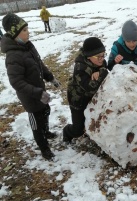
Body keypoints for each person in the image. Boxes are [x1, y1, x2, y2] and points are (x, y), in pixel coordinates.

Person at [1, 13, 60, 160]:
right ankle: (44, 147)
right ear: (15, 34)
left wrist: (50, 77)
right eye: (25, 30)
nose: (28, 32)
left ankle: (46, 132)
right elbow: (16, 82)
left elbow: (39, 64)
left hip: (40, 92)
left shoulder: (28, 46)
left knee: (46, 111)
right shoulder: (13, 56)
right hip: (31, 98)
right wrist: (37, 92)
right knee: (36, 123)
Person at [63, 37, 108, 144]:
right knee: (78, 129)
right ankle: (67, 132)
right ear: (88, 56)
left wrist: (100, 70)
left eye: (103, 55)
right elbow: (91, 87)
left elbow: (104, 64)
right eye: (99, 56)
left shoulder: (98, 61)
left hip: (89, 99)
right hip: (78, 100)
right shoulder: (80, 68)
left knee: (90, 120)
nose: (102, 59)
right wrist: (103, 72)